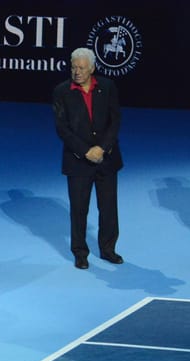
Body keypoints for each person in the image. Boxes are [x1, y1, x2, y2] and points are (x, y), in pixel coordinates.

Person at [53, 46, 124, 269]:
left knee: (109, 208)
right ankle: (80, 252)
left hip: (106, 158)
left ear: (92, 68)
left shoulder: (107, 87)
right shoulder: (61, 91)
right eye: (73, 67)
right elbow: (62, 128)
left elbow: (115, 120)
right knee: (79, 209)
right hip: (78, 161)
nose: (77, 72)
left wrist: (102, 148)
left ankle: (108, 249)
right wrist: (86, 151)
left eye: (82, 68)